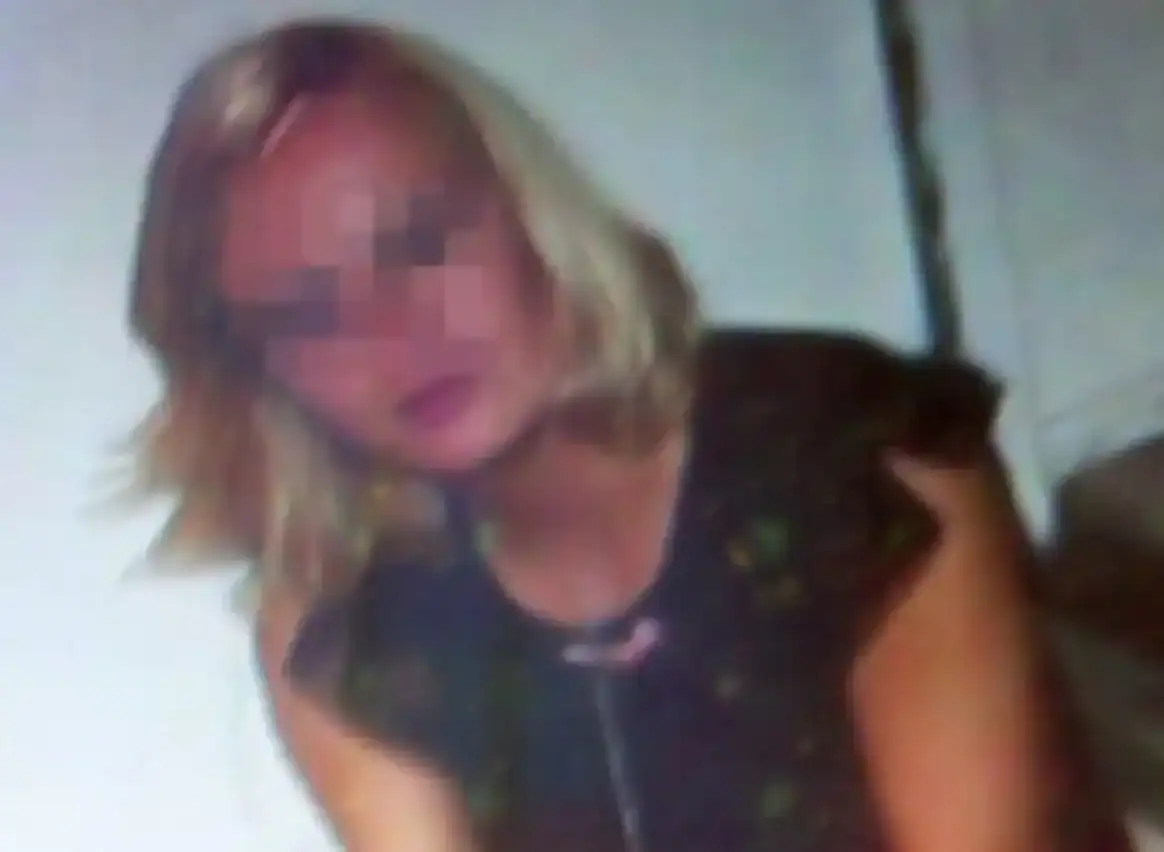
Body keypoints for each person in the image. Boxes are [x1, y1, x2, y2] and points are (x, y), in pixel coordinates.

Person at [122, 17, 1133, 852]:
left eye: (421, 241)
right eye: (310, 313)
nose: (394, 332)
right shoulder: (347, 632)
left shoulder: (856, 460)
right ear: (264, 380)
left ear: (526, 212)